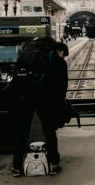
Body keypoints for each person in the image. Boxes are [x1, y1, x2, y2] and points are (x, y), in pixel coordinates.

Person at [11, 37, 66, 177]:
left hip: (24, 98)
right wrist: (58, 102)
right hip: (45, 98)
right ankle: (54, 164)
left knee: (22, 131)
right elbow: (61, 84)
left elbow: (15, 77)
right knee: (49, 131)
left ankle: (17, 166)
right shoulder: (53, 57)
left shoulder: (24, 53)